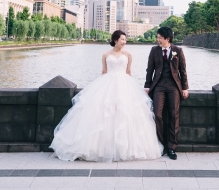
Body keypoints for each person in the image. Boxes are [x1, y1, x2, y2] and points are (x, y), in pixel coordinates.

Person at [50, 30, 163, 162]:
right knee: (103, 115)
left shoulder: (128, 54)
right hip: (107, 83)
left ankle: (124, 150)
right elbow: (104, 71)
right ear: (115, 40)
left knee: (124, 114)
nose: (124, 42)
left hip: (124, 84)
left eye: (125, 40)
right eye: (122, 40)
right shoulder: (105, 54)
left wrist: (132, 90)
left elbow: (128, 72)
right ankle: (100, 149)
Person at [144, 25, 189, 160]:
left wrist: (185, 88)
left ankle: (171, 147)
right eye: (157, 37)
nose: (158, 40)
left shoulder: (178, 51)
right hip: (158, 86)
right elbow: (149, 69)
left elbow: (183, 70)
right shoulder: (154, 50)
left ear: (167, 38)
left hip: (174, 86)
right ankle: (161, 145)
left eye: (160, 38)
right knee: (157, 114)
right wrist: (147, 85)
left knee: (174, 115)